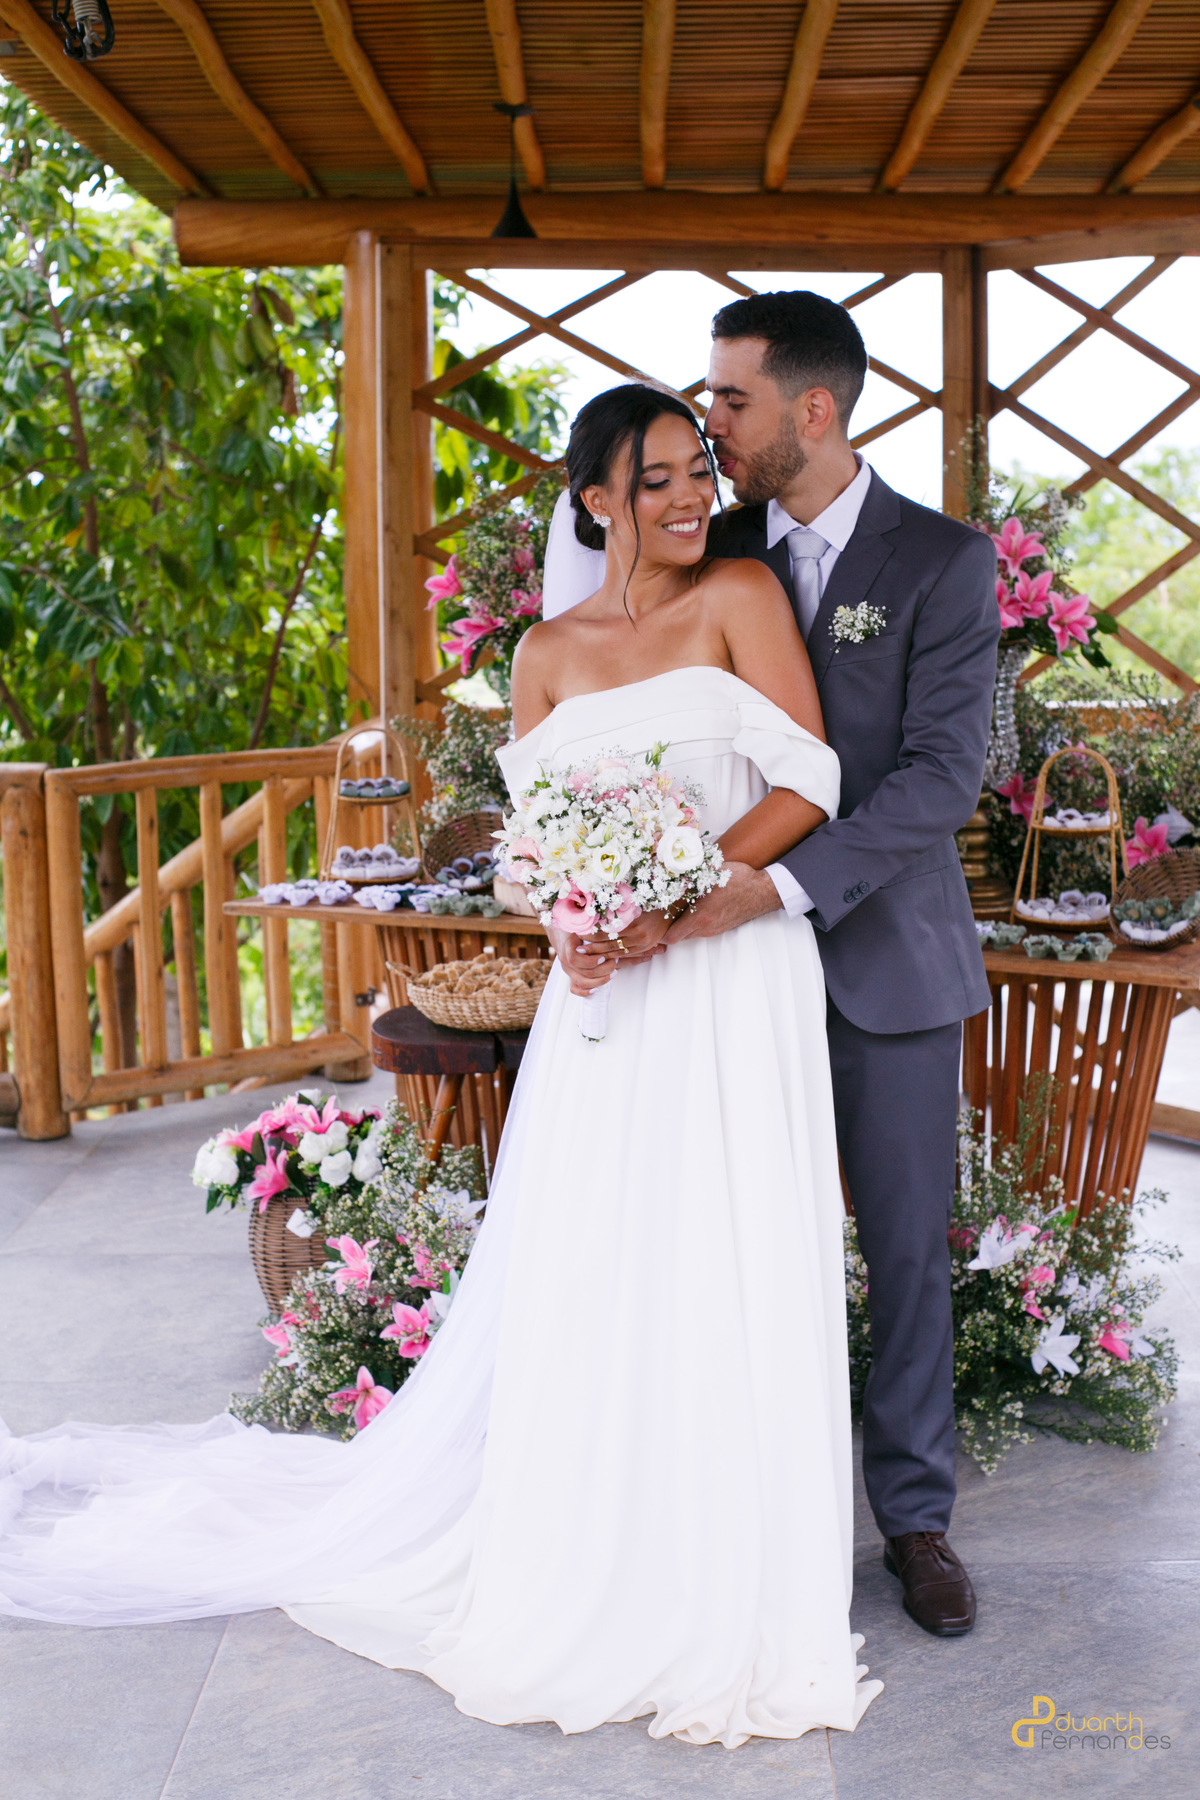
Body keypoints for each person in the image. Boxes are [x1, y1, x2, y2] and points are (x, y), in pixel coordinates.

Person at [0, 384, 881, 1750]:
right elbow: (536, 849)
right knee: (605, 1257)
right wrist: (577, 919)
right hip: (610, 999)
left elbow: (811, 781)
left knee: (731, 1241)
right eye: (654, 479)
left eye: (696, 471)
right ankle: (601, 1542)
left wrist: (679, 893)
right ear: (593, 499)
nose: (688, 497)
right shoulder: (544, 653)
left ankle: (735, 1564)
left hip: (727, 971)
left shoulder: (741, 597)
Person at [688, 291, 998, 1636]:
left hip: (889, 961)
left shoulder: (945, 561)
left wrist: (778, 885)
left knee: (907, 1250)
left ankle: (916, 1523)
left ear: (813, 409)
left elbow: (941, 777)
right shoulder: (710, 549)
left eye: (731, 399)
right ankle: (746, 1509)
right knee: (736, 1237)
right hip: (720, 967)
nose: (711, 423)